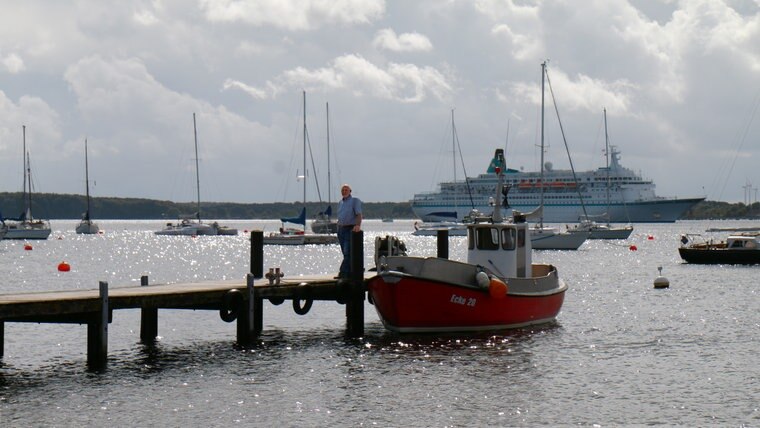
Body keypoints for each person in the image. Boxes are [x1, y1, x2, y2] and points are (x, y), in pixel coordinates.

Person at [336, 183, 362, 279]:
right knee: (344, 252)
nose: (344, 191)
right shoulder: (340, 203)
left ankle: (343, 272)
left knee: (348, 252)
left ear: (350, 191)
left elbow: (359, 214)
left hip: (349, 228)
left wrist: (358, 225)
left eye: (346, 190)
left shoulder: (355, 201)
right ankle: (349, 270)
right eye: (342, 190)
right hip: (341, 229)